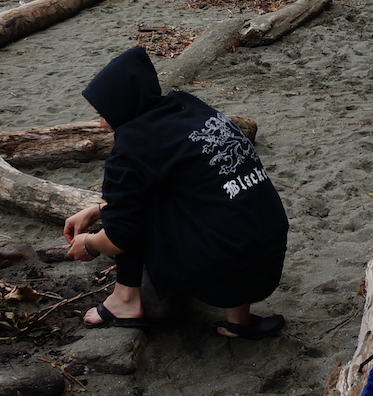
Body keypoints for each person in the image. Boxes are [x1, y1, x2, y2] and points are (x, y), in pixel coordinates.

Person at [64, 47, 289, 340]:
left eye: (102, 114)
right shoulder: (187, 106)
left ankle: (124, 301)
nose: (101, 124)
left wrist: (90, 244)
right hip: (269, 256)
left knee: (132, 218)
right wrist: (96, 209)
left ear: (121, 106)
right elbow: (188, 182)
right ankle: (239, 322)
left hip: (225, 277)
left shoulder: (132, 146)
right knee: (224, 198)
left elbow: (120, 237)